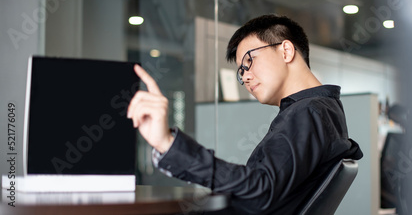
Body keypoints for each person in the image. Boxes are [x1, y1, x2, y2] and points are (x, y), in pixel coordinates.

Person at [127, 14, 363, 214]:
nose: (245, 77)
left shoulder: (308, 112)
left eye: (249, 61)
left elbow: (262, 189)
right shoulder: (320, 109)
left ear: (286, 50)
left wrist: (169, 144)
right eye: (241, 71)